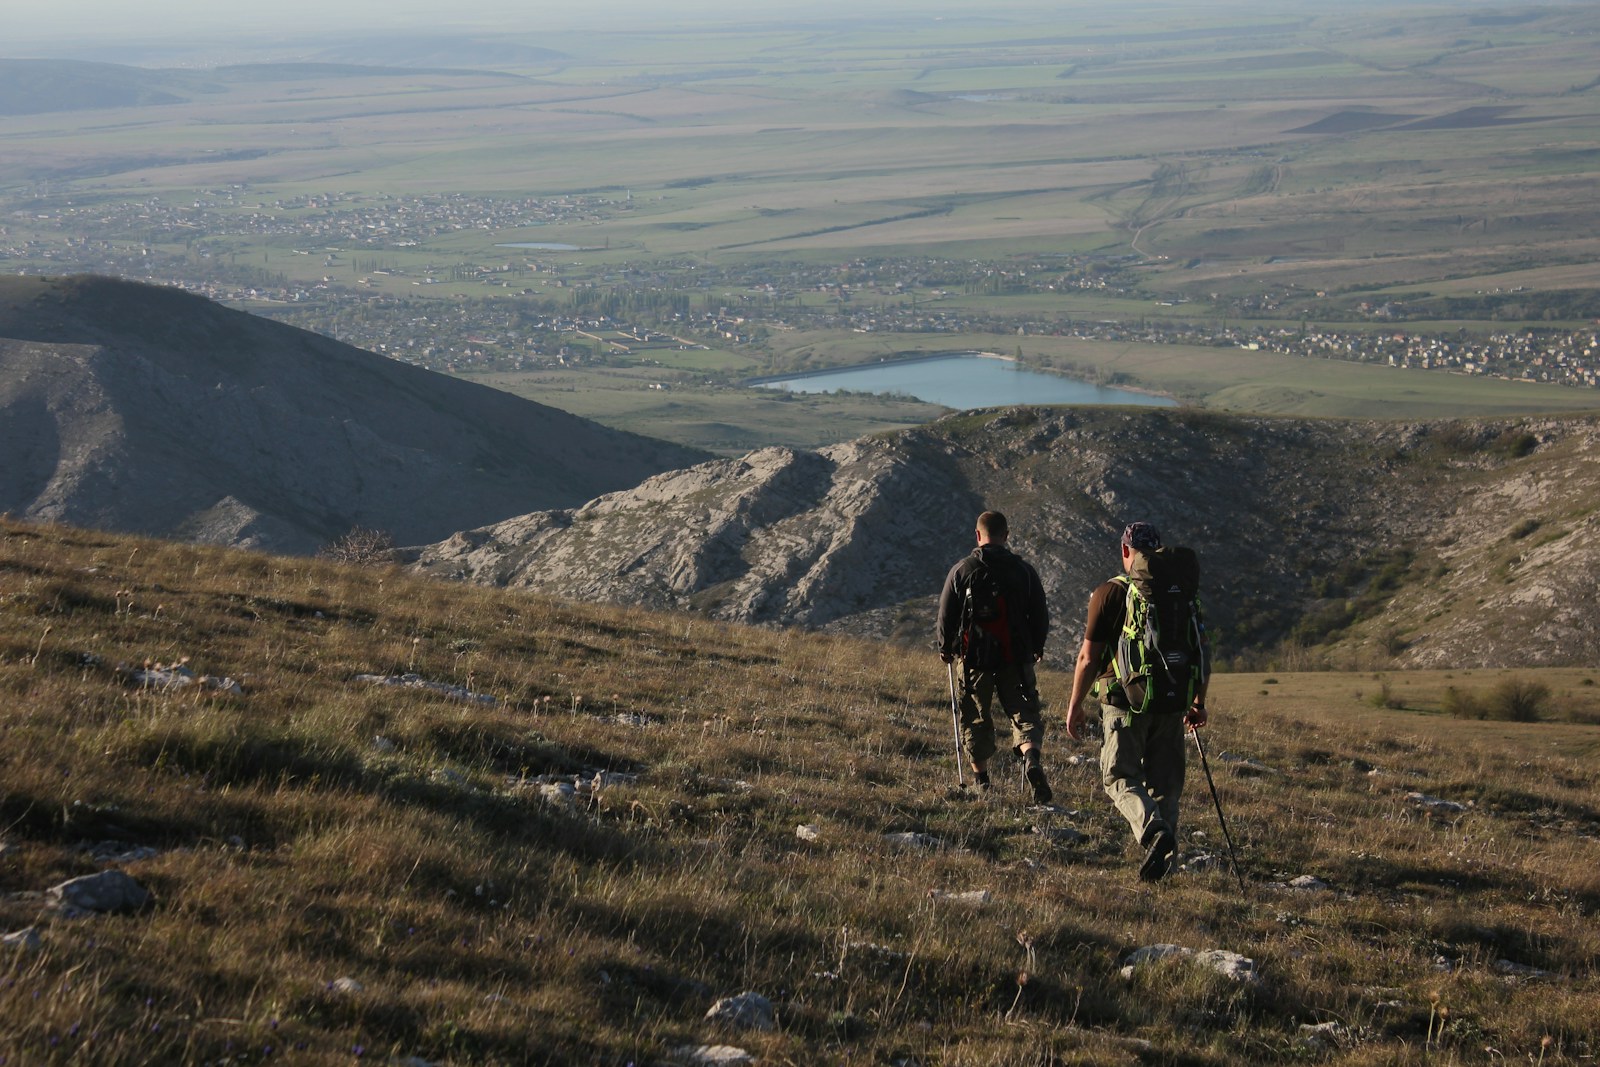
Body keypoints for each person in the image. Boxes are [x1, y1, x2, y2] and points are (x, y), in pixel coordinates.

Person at [1064, 522, 1210, 882]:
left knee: (1119, 777)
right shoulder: (1182, 596)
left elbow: (1087, 658)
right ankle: (1164, 871)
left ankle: (1152, 833)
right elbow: (1202, 650)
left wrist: (1075, 705)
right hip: (1172, 701)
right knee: (1166, 787)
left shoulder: (1109, 593)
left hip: (1123, 703)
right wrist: (1198, 701)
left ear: (1126, 551)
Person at [936, 511, 1052, 801]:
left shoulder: (962, 570)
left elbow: (946, 615)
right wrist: (1036, 645)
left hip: (975, 660)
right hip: (1016, 657)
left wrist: (945, 648)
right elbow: (1039, 613)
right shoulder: (1024, 571)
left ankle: (982, 782)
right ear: (1006, 535)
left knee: (975, 717)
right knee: (1024, 713)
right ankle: (1030, 758)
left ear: (978, 535)